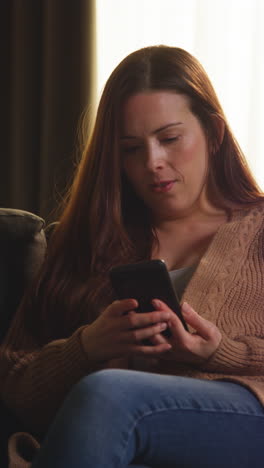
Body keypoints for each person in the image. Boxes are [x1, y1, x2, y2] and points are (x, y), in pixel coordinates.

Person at [1, 45, 264, 468]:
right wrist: (85, 348)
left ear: (214, 134)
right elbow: (15, 382)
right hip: (128, 433)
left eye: (170, 138)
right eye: (131, 148)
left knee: (109, 393)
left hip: (247, 417)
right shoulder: (86, 243)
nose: (153, 162)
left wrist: (221, 353)